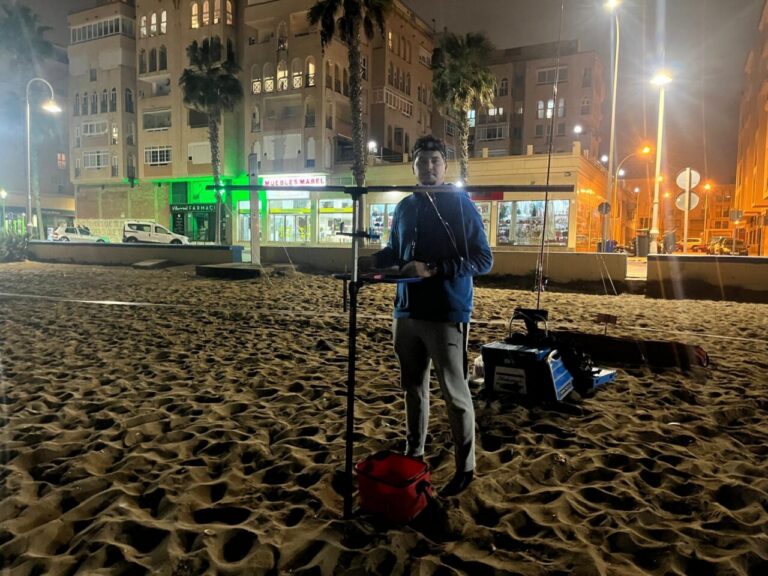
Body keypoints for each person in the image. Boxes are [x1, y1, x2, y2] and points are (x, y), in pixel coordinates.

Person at [372, 135, 493, 497]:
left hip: (445, 312)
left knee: (455, 394)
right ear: (413, 166)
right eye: (422, 161)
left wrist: (436, 268)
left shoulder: (460, 206)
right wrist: (366, 261)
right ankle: (415, 453)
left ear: (445, 167)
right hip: (405, 310)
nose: (428, 167)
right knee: (412, 388)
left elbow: (483, 259)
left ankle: (465, 467)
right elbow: (395, 250)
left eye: (435, 161)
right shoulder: (405, 207)